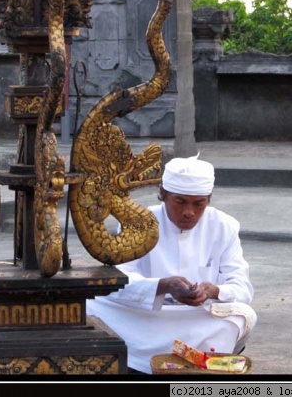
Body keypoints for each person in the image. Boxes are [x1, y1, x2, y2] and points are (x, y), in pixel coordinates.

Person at [86, 154, 257, 374]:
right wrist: (163, 286)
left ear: (208, 200)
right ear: (163, 194)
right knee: (91, 303)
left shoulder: (224, 226)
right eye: (180, 202)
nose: (189, 212)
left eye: (199, 204)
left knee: (243, 314)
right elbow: (121, 280)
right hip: (147, 314)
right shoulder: (139, 223)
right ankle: (148, 361)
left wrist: (213, 290)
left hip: (197, 316)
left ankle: (192, 361)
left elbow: (242, 286)